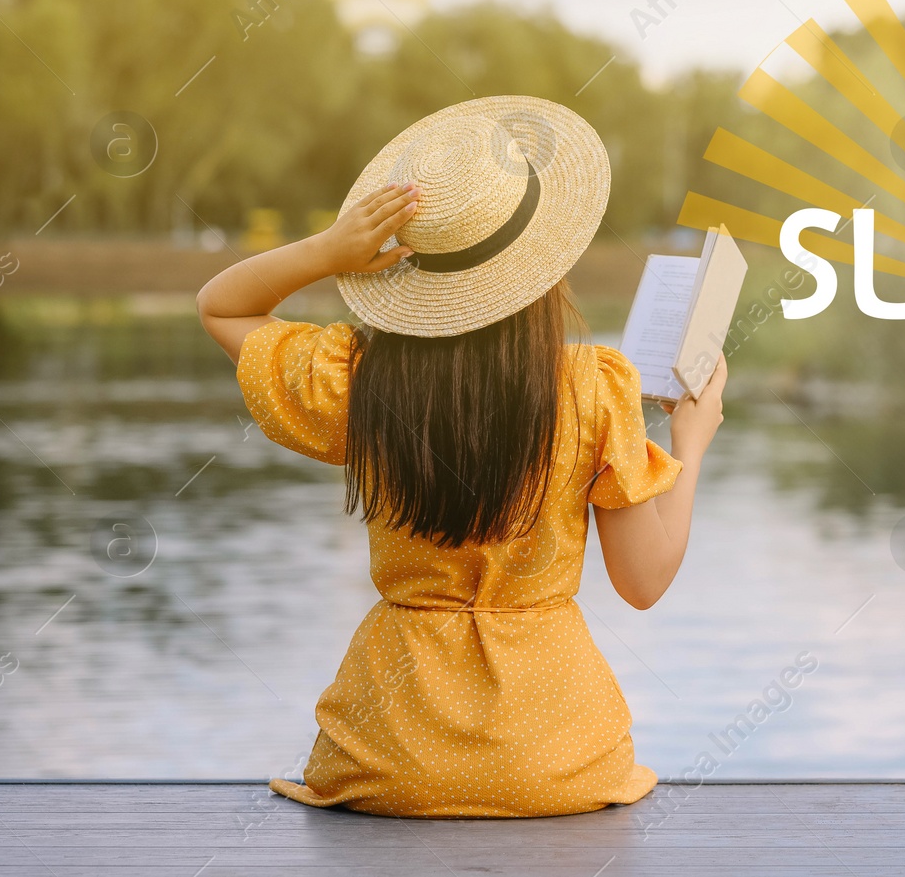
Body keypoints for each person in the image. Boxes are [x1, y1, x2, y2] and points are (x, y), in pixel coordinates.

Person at [194, 96, 726, 817]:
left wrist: (328, 250)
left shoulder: (360, 381)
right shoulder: (592, 387)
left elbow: (222, 306)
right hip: (558, 766)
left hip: (388, 759)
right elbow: (644, 580)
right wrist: (689, 442)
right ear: (543, 259)